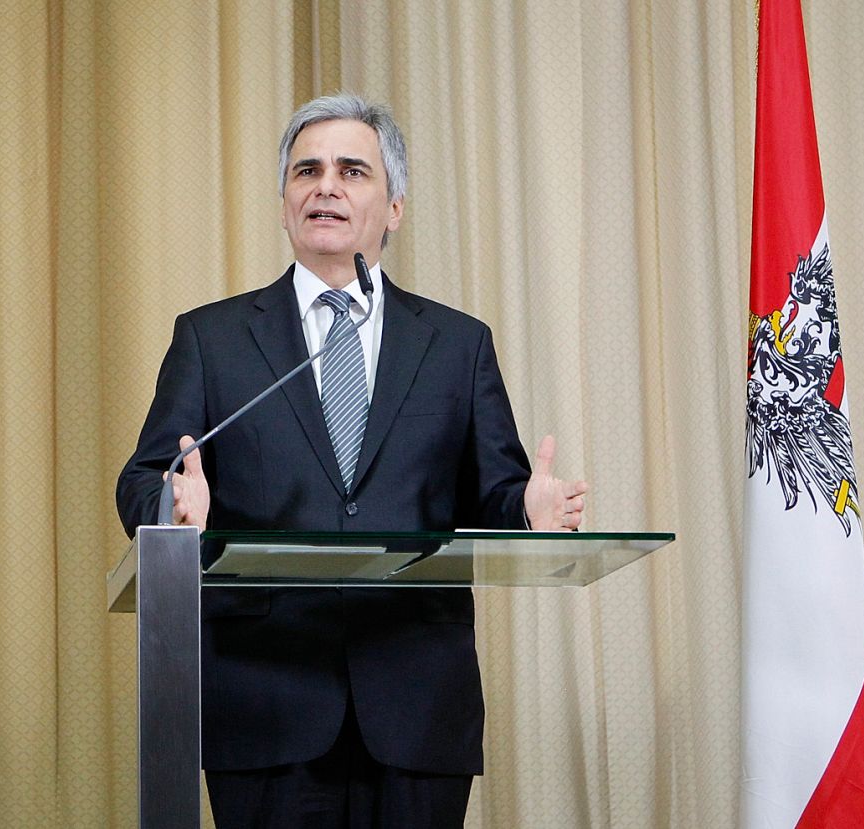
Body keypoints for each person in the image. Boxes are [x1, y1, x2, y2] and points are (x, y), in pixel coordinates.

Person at [115, 93, 587, 828]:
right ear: (284, 203)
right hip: (265, 702)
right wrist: (172, 506)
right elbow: (146, 476)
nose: (325, 185)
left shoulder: (458, 345)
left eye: (351, 170)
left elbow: (493, 491)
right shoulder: (213, 339)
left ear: (394, 206)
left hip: (417, 706)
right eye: (307, 170)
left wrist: (527, 509)